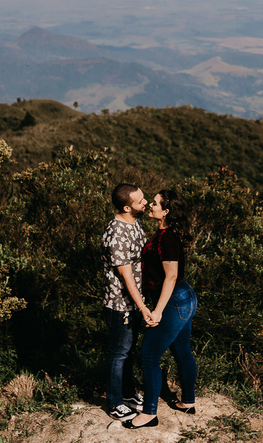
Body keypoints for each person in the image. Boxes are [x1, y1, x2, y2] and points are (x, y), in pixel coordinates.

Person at [124, 189, 197, 429]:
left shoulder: (166, 238)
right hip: (184, 298)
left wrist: (157, 312)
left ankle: (149, 414)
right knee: (182, 352)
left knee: (149, 355)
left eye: (155, 203)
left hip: (174, 301)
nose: (150, 205)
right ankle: (187, 402)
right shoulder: (165, 233)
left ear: (166, 211)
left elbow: (171, 276)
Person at [101, 183, 155, 422]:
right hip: (121, 304)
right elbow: (126, 277)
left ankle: (128, 394)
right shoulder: (116, 234)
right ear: (126, 207)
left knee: (128, 351)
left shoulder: (135, 222)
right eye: (140, 201)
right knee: (118, 353)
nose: (145, 203)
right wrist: (142, 307)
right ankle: (114, 403)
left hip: (135, 302)